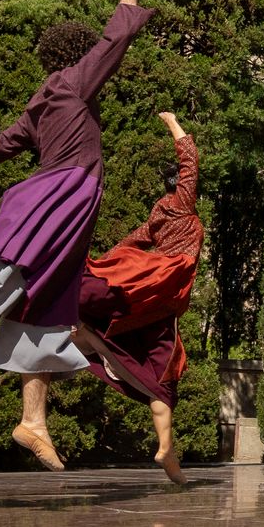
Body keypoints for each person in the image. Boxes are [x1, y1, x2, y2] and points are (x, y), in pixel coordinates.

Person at [0, 0, 153, 471]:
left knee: (42, 313)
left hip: (66, 205)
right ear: (78, 56)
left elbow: (2, 144)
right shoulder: (72, 83)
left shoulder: (42, 103)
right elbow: (112, 45)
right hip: (58, 199)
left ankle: (33, 421)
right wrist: (127, 2)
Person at [73, 110, 203, 485]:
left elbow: (132, 242)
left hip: (155, 304)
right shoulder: (182, 204)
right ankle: (166, 447)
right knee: (164, 376)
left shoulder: (158, 214)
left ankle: (167, 450)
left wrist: (104, 265)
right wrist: (173, 122)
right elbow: (190, 160)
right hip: (164, 287)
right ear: (180, 186)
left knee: (162, 377)